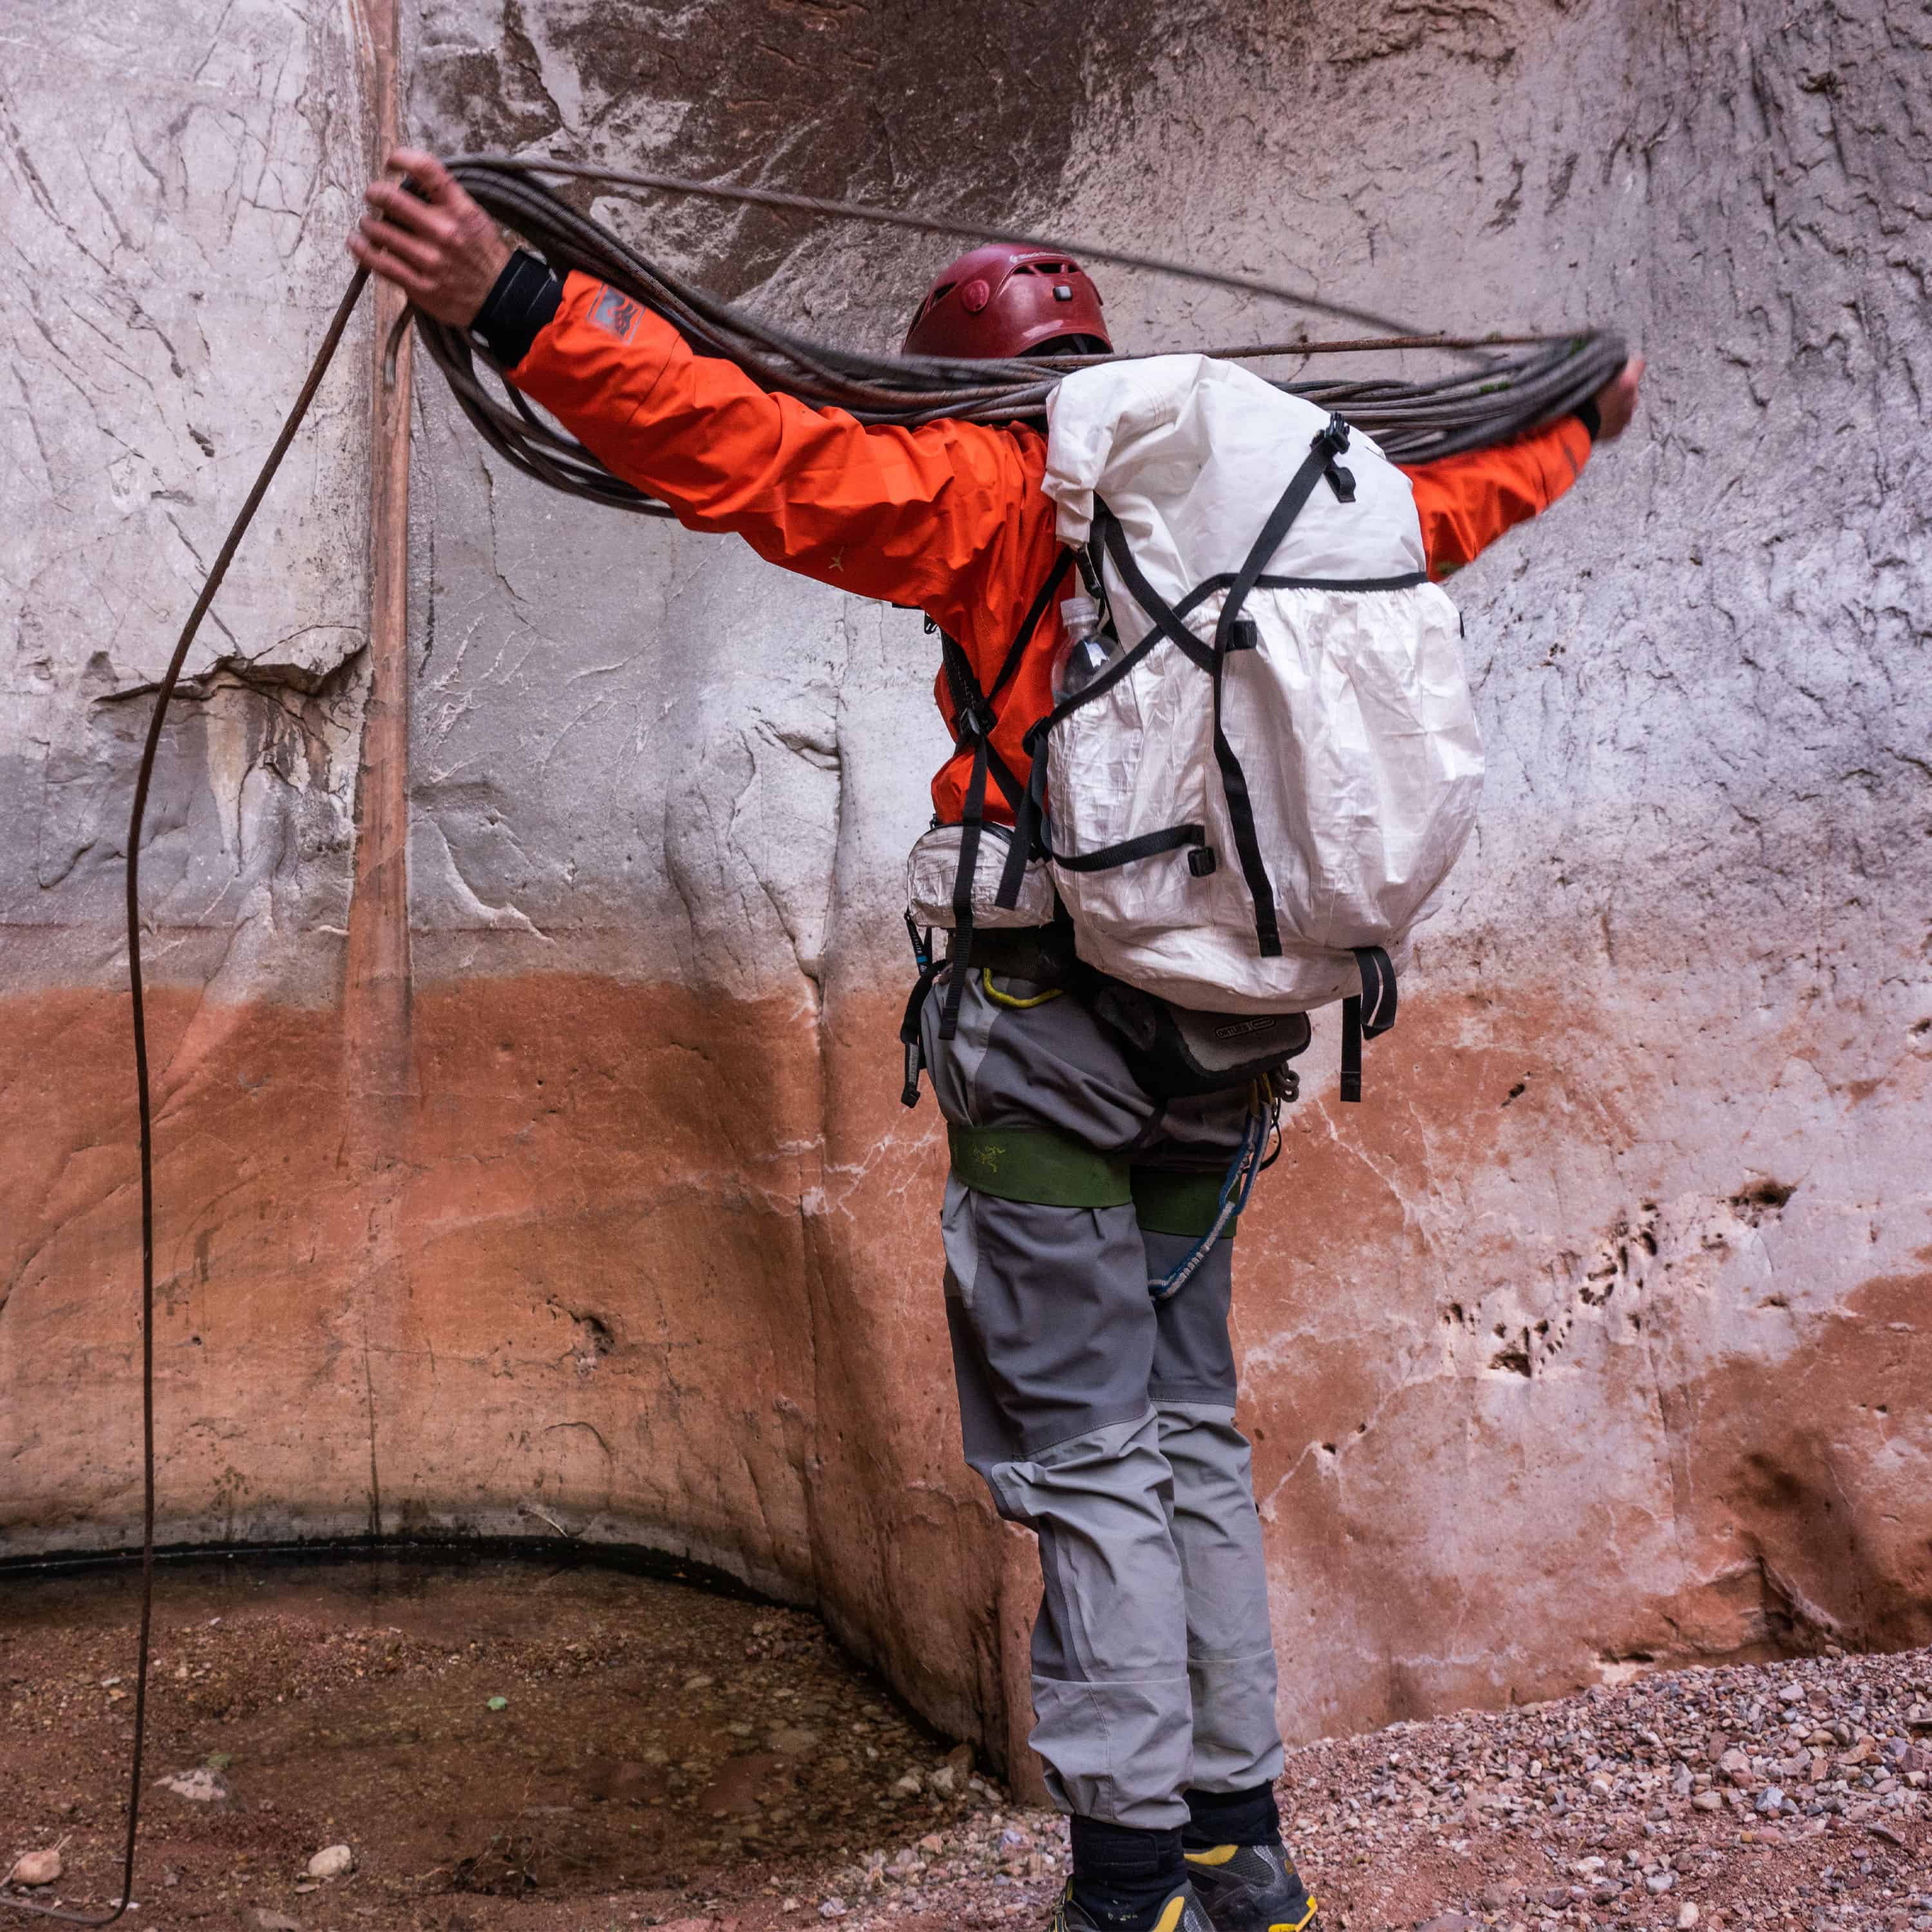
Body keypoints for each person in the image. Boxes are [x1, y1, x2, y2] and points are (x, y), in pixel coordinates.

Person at [351, 151, 1643, 1932]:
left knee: (1095, 1456)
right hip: (1232, 1046)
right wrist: (1589, 422)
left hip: (1047, 1040)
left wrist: (511, 299)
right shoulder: (1287, 499)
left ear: (960, 373)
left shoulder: (996, 494)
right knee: (1191, 1430)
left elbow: (743, 444)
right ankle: (1238, 1849)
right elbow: (1475, 492)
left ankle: (1127, 1880)